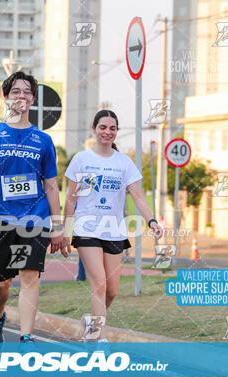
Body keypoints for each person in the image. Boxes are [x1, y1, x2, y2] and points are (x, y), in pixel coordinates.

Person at [0, 71, 66, 344]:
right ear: (6, 97)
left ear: (33, 99)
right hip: (1, 218)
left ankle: (26, 336)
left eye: (27, 92)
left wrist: (57, 226)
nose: (21, 96)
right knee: (1, 284)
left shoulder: (43, 140)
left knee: (29, 276)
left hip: (35, 219)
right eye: (16, 91)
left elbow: (50, 185)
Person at [61, 110, 163, 342]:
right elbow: (71, 199)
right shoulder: (82, 159)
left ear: (117, 132)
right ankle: (99, 340)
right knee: (98, 282)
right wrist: (65, 232)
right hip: (87, 229)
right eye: (103, 127)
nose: (108, 132)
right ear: (94, 129)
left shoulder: (123, 162)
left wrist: (152, 220)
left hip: (114, 231)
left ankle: (92, 325)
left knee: (112, 290)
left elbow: (137, 196)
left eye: (112, 128)